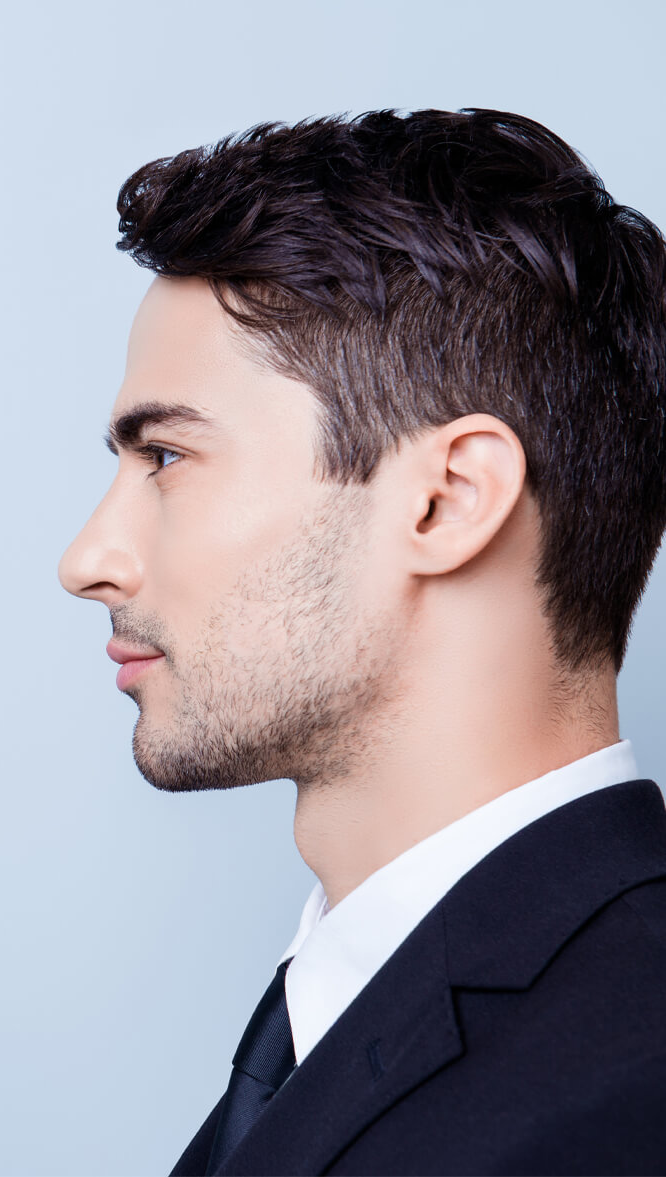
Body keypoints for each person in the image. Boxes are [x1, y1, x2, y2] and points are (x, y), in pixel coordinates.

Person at [57, 108, 666, 1175]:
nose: (89, 558)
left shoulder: (627, 1089)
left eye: (165, 456)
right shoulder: (340, 1012)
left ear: (445, 501)